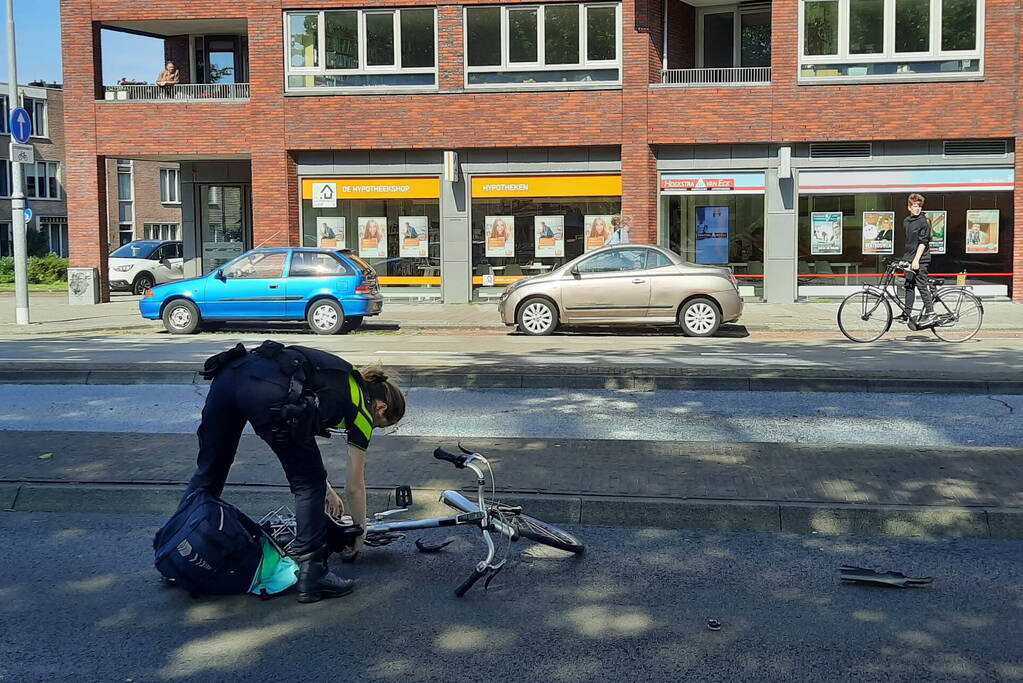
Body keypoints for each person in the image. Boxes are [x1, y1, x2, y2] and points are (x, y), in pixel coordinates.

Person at [184, 341, 406, 603]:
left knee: (211, 469)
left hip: (231, 374)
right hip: (268, 390)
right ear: (381, 408)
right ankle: (314, 575)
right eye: (381, 425)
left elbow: (302, 436)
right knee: (307, 484)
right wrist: (360, 531)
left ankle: (180, 550)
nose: (373, 428)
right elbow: (355, 485)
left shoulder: (343, 380)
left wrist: (328, 490)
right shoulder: (362, 410)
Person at [898, 193, 935, 326]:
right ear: (909, 207)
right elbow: (909, 242)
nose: (917, 208)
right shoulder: (906, 221)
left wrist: (916, 260)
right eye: (914, 206)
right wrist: (905, 259)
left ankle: (931, 313)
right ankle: (907, 314)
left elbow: (922, 242)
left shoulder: (923, 222)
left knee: (921, 285)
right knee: (908, 286)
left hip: (921, 258)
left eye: (919, 206)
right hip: (909, 258)